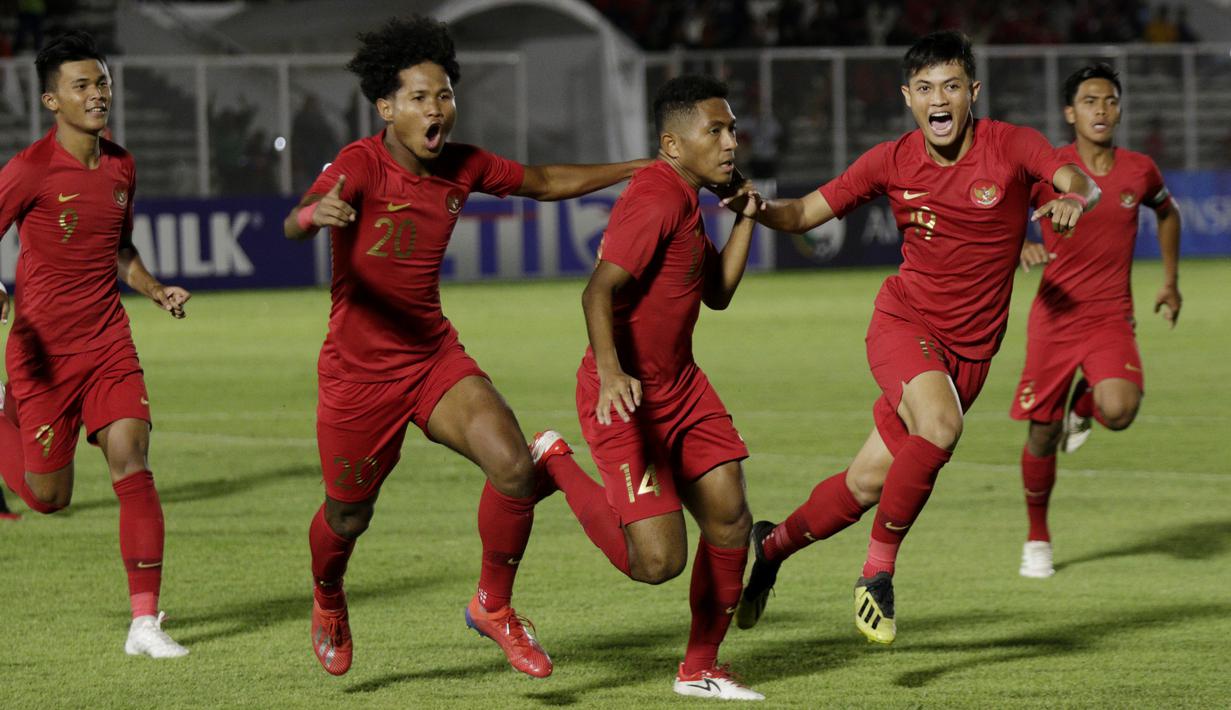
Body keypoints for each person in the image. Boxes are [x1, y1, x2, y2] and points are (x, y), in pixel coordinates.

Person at [282, 16, 649, 678]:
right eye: (420, 97)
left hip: (432, 358)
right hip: (358, 376)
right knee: (348, 514)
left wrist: (638, 168)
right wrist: (315, 214)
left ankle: (492, 606)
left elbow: (543, 180)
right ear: (386, 107)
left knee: (511, 465)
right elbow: (297, 218)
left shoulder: (463, 164)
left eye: (444, 95)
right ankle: (328, 594)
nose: (436, 109)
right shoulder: (359, 163)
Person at [728, 30, 1100, 644]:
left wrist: (1075, 200)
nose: (939, 99)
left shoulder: (1011, 145)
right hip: (905, 324)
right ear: (907, 97)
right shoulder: (890, 160)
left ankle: (771, 547)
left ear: (973, 92)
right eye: (925, 88)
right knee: (941, 427)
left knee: (865, 485)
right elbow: (804, 213)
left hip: (971, 356)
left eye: (951, 86)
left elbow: (1077, 179)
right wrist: (758, 207)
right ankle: (877, 574)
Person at [531, 75, 765, 701]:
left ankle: (700, 669)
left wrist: (745, 218)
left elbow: (715, 294)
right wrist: (611, 372)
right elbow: (597, 290)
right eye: (714, 131)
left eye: (731, 129)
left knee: (730, 518)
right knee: (659, 563)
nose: (730, 143)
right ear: (672, 143)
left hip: (682, 388)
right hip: (626, 396)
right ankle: (554, 460)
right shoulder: (657, 196)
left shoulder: (687, 197)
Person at [0, 30, 191, 658]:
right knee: (47, 499)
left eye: (102, 82)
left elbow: (119, 248)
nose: (97, 94)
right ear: (52, 101)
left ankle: (144, 623)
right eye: (81, 85)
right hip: (42, 354)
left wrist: (153, 288)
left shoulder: (121, 165)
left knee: (132, 460)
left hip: (108, 341)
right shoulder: (29, 169)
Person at [1011, 63, 1181, 578]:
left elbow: (1167, 213)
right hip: (1055, 317)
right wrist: (1021, 246)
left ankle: (1084, 404)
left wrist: (1170, 281)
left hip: (1110, 316)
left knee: (1121, 410)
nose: (1101, 109)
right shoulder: (1052, 168)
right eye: (1089, 101)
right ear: (1070, 113)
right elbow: (999, 216)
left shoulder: (1139, 170)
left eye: (1110, 100)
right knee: (1043, 435)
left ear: (1120, 109)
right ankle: (1037, 537)